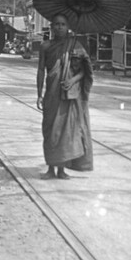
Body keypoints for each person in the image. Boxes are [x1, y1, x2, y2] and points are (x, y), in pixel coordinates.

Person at [36, 13, 93, 179]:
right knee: (50, 132)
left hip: (68, 96)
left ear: (68, 27)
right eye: (56, 24)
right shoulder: (45, 46)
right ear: (51, 27)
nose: (59, 27)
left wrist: (73, 79)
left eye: (62, 24)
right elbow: (40, 70)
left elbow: (85, 71)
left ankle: (62, 170)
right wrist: (39, 94)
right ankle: (50, 169)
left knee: (66, 133)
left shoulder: (76, 46)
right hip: (51, 94)